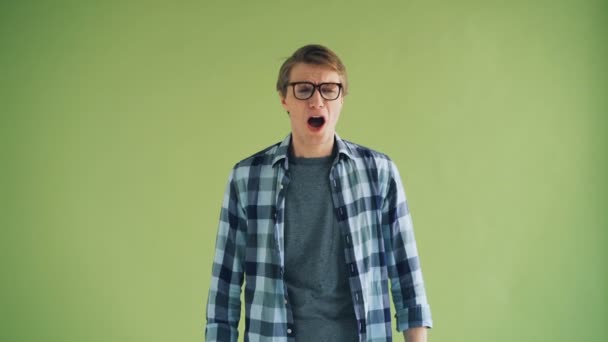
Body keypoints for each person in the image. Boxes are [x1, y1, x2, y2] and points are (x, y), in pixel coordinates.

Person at [205, 44, 433, 342]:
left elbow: (407, 276)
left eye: (329, 89)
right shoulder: (247, 177)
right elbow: (225, 287)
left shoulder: (378, 172)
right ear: (284, 99)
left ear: (342, 99)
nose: (316, 100)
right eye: (303, 89)